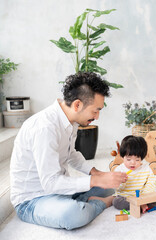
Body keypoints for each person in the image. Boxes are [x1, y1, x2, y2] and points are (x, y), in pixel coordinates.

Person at [10, 72, 128, 230]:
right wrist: (95, 181)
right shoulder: (45, 127)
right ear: (77, 105)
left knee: (109, 187)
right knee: (72, 215)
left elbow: (71, 154)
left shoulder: (69, 121)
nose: (97, 117)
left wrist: (96, 174)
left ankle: (82, 201)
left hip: (58, 193)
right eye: (95, 111)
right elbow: (50, 183)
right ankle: (98, 204)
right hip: (33, 200)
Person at [112, 135, 156, 213]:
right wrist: (122, 182)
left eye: (137, 159)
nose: (133, 163)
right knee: (116, 202)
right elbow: (118, 189)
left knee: (155, 199)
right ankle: (138, 206)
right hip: (126, 197)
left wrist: (144, 197)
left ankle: (141, 205)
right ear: (122, 157)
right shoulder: (119, 170)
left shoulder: (146, 169)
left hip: (142, 196)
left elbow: (151, 183)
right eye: (128, 159)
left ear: (142, 158)